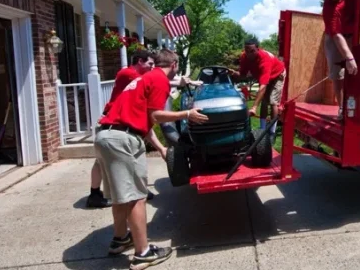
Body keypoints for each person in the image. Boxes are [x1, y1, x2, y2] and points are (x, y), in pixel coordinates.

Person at [94, 49, 208, 269]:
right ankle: (143, 252)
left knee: (120, 196)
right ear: (174, 64)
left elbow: (144, 119)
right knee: (137, 196)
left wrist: (161, 148)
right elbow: (156, 116)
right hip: (122, 140)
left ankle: (120, 239)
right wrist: (187, 114)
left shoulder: (143, 79)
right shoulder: (159, 79)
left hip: (105, 135)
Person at [86, 50, 159, 209]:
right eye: (150, 64)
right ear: (140, 61)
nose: (152, 68)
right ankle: (94, 194)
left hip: (117, 118)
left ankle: (138, 189)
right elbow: (151, 82)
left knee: (127, 158)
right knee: (101, 161)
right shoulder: (127, 73)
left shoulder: (134, 75)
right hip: (112, 120)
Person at [319, 0, 359, 119]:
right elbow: (336, 35)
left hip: (355, 34)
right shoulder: (329, 8)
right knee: (337, 74)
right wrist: (349, 58)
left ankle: (357, 107)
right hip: (335, 37)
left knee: (358, 70)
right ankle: (342, 108)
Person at [230, 39, 286, 140]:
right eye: (247, 51)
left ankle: (272, 133)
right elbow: (242, 75)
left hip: (277, 75)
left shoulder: (264, 60)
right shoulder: (244, 57)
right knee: (264, 102)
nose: (249, 54)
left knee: (273, 102)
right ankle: (262, 129)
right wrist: (234, 73)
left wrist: (254, 106)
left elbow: (263, 86)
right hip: (264, 76)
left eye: (252, 51)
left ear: (257, 49)